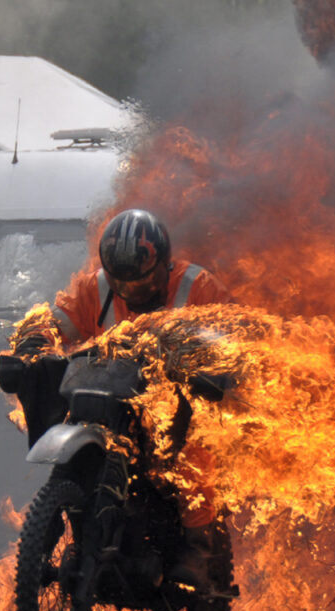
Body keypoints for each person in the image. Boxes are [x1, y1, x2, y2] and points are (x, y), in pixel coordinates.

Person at [13, 208, 231, 589]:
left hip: (174, 399)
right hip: (107, 392)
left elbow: (224, 333)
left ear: (164, 264)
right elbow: (55, 318)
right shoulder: (92, 287)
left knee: (192, 456)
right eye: (122, 283)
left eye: (141, 282)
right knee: (72, 429)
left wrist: (211, 365)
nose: (131, 291)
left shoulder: (197, 285)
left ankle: (199, 548)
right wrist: (34, 341)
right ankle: (65, 521)